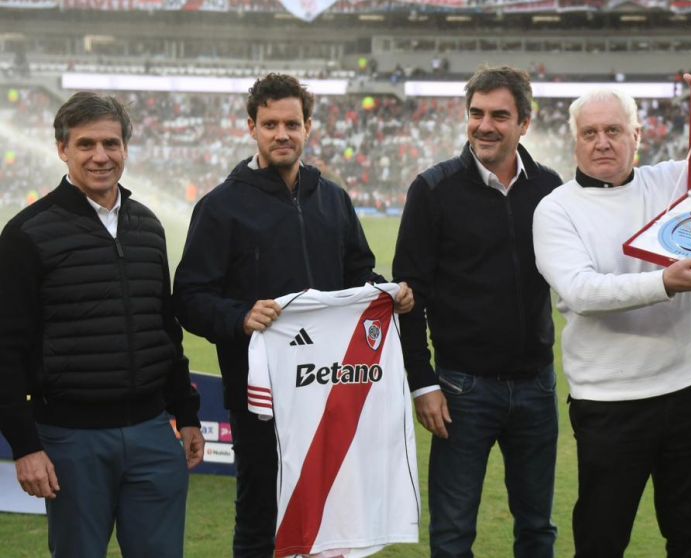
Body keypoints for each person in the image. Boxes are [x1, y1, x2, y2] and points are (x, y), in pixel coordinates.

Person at [172, 73, 413, 558]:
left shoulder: (333, 199)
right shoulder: (221, 207)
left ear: (308, 128)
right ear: (251, 128)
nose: (282, 133)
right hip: (264, 399)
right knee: (263, 511)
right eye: (270, 124)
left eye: (292, 123)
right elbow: (189, 297)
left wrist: (388, 295)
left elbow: (358, 274)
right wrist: (241, 316)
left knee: (335, 507)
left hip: (335, 389)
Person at [532, 70, 691, 558]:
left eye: (614, 130)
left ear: (637, 136)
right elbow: (581, 291)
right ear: (574, 141)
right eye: (590, 133)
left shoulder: (671, 181)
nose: (602, 142)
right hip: (608, 403)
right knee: (601, 543)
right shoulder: (555, 209)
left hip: (687, 392)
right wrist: (663, 282)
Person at [0, 92, 204, 557]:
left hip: (154, 433)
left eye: (111, 144)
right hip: (70, 440)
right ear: (62, 149)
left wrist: (187, 413)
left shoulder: (148, 226)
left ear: (126, 149)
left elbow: (165, 332)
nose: (100, 156)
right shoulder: (25, 234)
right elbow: (5, 349)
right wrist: (26, 445)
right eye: (86, 144)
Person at [392, 65, 563, 557]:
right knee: (451, 535)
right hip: (461, 390)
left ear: (524, 124)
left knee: (537, 530)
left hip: (536, 385)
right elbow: (408, 295)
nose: (484, 126)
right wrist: (422, 382)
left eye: (500, 116)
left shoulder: (549, 189)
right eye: (476, 114)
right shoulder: (433, 189)